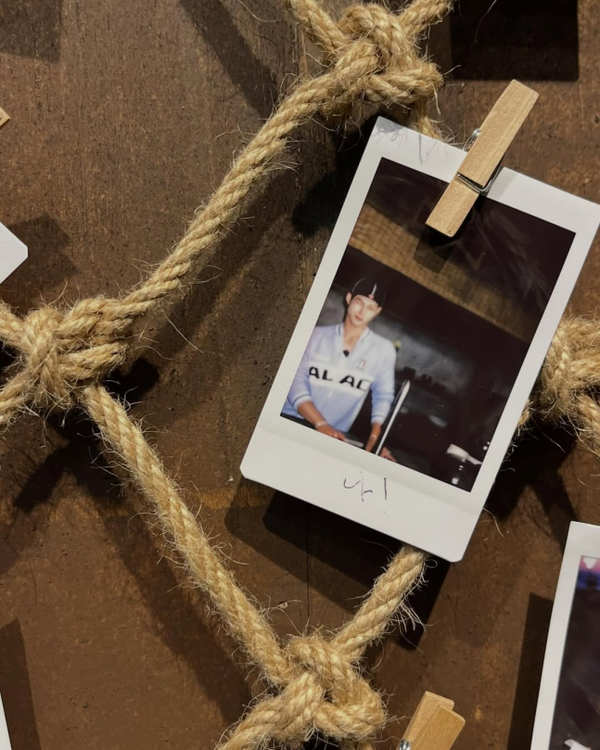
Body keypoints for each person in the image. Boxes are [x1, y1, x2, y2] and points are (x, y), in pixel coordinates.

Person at [283, 277, 397, 459]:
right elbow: (294, 379)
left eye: (371, 307)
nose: (363, 311)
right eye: (359, 302)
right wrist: (320, 423)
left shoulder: (384, 350)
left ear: (377, 312)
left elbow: (383, 395)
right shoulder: (315, 335)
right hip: (291, 420)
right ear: (349, 298)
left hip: (336, 434)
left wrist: (376, 437)